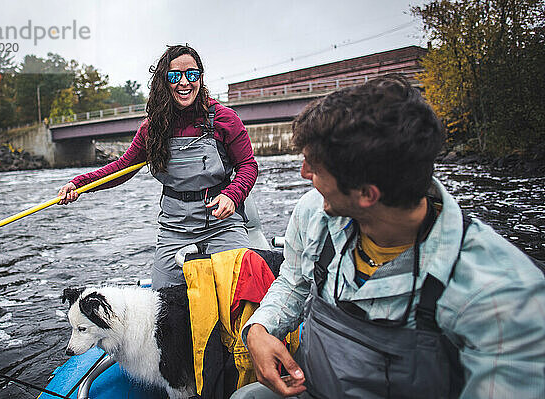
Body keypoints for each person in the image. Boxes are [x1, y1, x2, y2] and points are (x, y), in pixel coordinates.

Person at [234, 75, 545, 398]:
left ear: (366, 195)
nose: (304, 174)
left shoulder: (502, 293)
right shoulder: (314, 211)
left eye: (316, 166)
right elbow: (292, 283)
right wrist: (259, 328)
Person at [58, 45, 258, 290]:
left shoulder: (226, 119)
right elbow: (123, 167)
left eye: (192, 74)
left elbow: (248, 166)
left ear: (201, 78)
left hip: (221, 226)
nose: (184, 82)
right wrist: (79, 184)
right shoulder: (152, 128)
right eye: (175, 76)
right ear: (165, 81)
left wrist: (232, 195)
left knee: (244, 292)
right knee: (163, 305)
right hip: (174, 230)